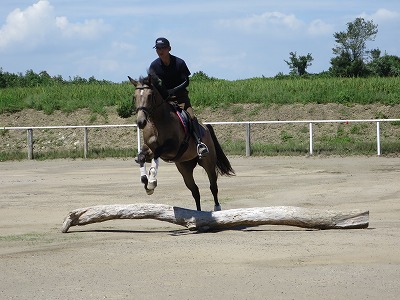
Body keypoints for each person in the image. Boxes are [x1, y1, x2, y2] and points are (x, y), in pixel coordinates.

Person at [149, 37, 209, 158]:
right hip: (164, 100)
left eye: (163, 48)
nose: (160, 51)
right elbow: (152, 84)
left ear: (169, 48)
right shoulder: (154, 66)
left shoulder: (179, 63)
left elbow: (186, 81)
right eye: (158, 48)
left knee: (191, 117)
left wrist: (173, 90)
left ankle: (199, 143)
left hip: (181, 98)